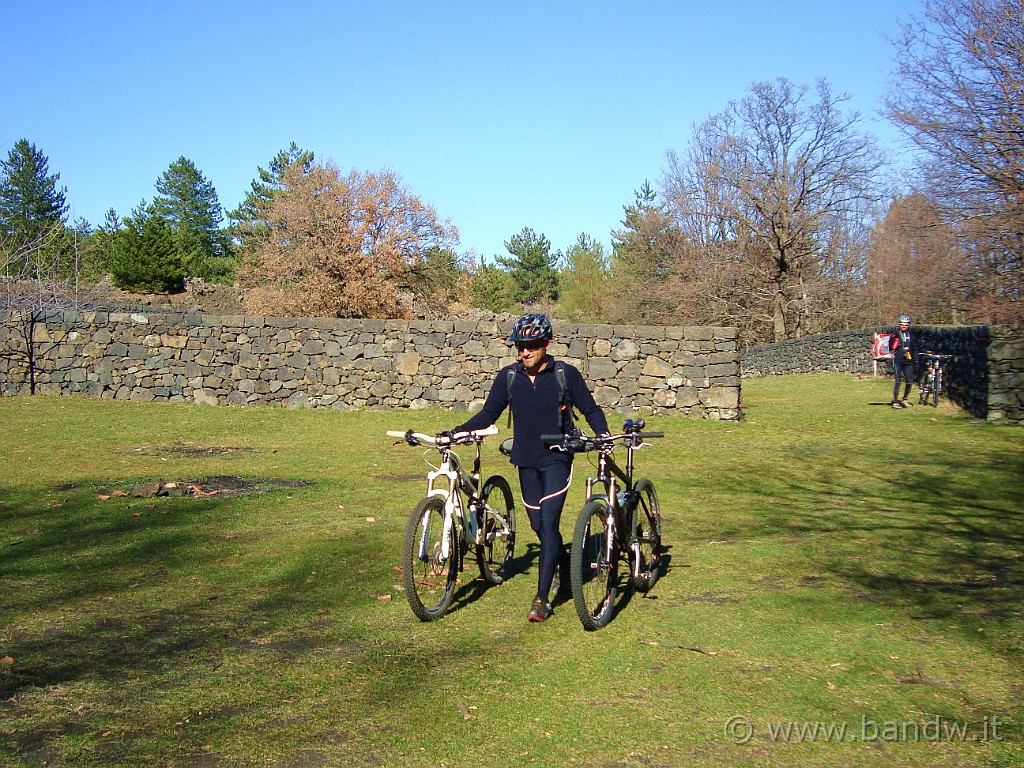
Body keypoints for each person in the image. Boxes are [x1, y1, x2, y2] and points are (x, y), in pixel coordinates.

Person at [449, 313, 609, 622]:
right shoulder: (509, 377)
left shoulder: (566, 374)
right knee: (538, 527)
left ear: (546, 344)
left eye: (532, 346)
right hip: (524, 460)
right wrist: (457, 431)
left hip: (557, 459)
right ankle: (565, 566)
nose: (525, 352)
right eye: (520, 346)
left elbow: (590, 408)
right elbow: (488, 414)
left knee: (548, 524)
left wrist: (602, 434)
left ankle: (541, 599)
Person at [887, 315, 917, 408]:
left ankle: (904, 399)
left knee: (909, 381)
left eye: (906, 325)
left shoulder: (912, 336)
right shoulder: (895, 335)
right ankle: (895, 401)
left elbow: (915, 348)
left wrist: (916, 360)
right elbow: (889, 346)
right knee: (898, 381)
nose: (904, 326)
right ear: (899, 325)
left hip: (908, 360)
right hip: (897, 360)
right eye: (902, 324)